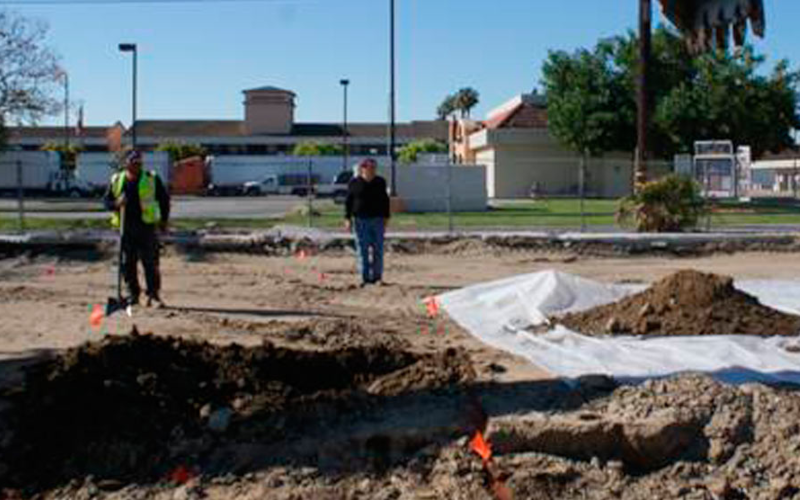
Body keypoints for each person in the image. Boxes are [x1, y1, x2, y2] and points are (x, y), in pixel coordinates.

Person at [104, 149, 170, 307]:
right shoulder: (117, 179)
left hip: (146, 227)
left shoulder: (151, 178)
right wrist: (116, 204)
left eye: (139, 163)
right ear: (126, 163)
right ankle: (133, 294)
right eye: (133, 162)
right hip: (125, 229)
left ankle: (153, 294)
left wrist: (163, 222)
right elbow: (106, 201)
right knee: (128, 264)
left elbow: (164, 200)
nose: (137, 165)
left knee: (150, 263)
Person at [344, 158, 390, 286]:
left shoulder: (380, 182)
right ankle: (365, 278)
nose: (372, 170)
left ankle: (377, 277)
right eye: (370, 167)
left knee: (378, 250)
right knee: (362, 250)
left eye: (374, 167)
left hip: (378, 220)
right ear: (363, 168)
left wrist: (386, 218)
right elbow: (348, 201)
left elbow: (385, 201)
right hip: (360, 220)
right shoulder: (354, 182)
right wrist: (347, 218)